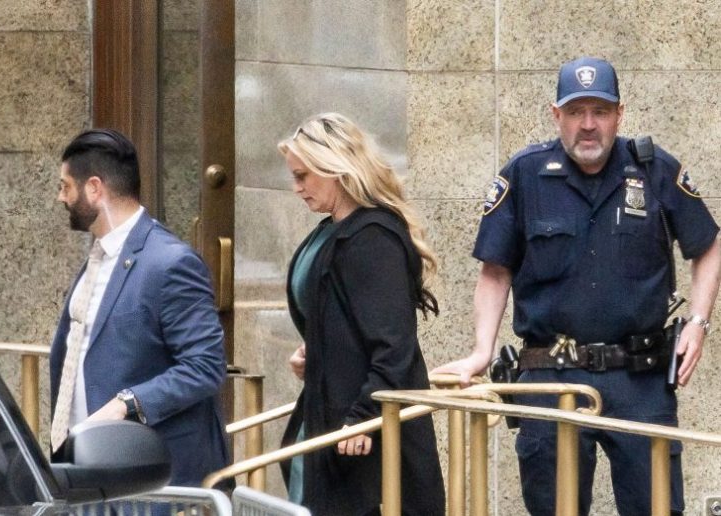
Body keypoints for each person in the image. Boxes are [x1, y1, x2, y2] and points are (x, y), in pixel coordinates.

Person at [434, 56, 721, 516]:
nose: (588, 125)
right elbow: (495, 271)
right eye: (575, 112)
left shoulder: (654, 169)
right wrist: (480, 351)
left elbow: (708, 246)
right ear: (556, 115)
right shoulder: (524, 174)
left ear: (619, 114)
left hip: (640, 379)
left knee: (657, 509)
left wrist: (699, 324)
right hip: (551, 377)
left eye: (600, 111)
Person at [278, 113, 445, 516]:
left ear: (335, 168)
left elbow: (394, 343)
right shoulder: (333, 231)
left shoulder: (372, 237)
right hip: (335, 422)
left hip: (361, 435)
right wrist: (316, 353)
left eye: (303, 176)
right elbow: (346, 324)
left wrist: (365, 415)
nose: (297, 188)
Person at [49, 129, 230, 487]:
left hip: (151, 482)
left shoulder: (171, 263)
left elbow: (206, 366)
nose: (61, 197)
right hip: (91, 472)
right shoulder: (98, 258)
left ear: (94, 188)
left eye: (65, 186)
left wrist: (126, 405)